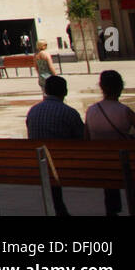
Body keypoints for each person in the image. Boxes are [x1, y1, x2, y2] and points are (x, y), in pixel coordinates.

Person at [85, 70, 135, 216]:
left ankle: (112, 210)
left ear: (102, 87)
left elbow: (86, 140)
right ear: (120, 88)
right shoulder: (125, 111)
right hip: (126, 166)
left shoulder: (91, 111)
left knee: (111, 168)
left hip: (104, 166)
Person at [25, 75, 82, 216]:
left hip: (37, 164)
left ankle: (59, 208)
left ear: (46, 91)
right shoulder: (69, 113)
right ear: (65, 92)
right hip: (64, 166)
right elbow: (82, 138)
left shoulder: (33, 111)